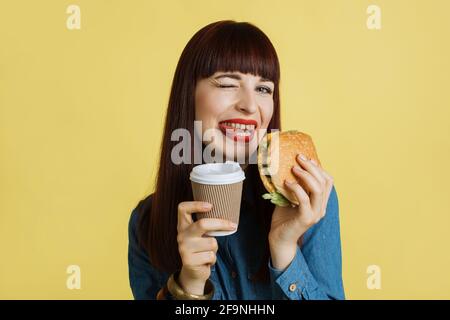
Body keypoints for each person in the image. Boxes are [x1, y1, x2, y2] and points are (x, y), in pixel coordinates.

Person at [128, 20, 345, 300]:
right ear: (189, 94)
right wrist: (190, 285)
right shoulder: (148, 221)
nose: (250, 105)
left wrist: (285, 250)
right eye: (229, 84)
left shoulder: (308, 200)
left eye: (264, 89)